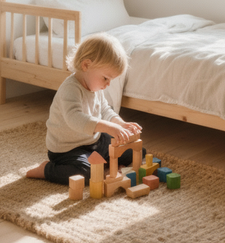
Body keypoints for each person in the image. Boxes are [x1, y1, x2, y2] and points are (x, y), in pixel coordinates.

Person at [25, 33, 143, 185]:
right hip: (68, 150)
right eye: (105, 78)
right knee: (85, 172)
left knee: (132, 151)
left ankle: (105, 164)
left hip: (94, 142)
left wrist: (121, 124)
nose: (108, 84)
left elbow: (105, 110)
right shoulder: (70, 89)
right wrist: (108, 127)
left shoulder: (95, 87)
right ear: (86, 65)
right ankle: (46, 169)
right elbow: (75, 119)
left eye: (110, 80)